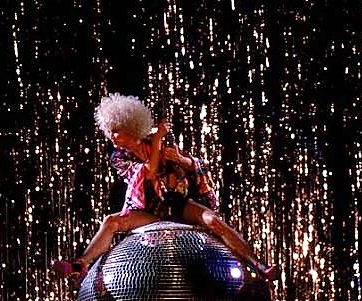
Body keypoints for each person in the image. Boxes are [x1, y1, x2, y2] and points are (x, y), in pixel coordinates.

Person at [52, 93, 277, 282]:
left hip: (178, 204)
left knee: (213, 221)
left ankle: (257, 264)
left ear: (131, 127)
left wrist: (179, 159)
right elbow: (149, 172)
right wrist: (158, 139)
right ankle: (80, 264)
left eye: (117, 130)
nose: (112, 136)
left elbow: (195, 165)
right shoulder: (119, 157)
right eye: (110, 131)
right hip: (148, 211)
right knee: (112, 221)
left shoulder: (158, 141)